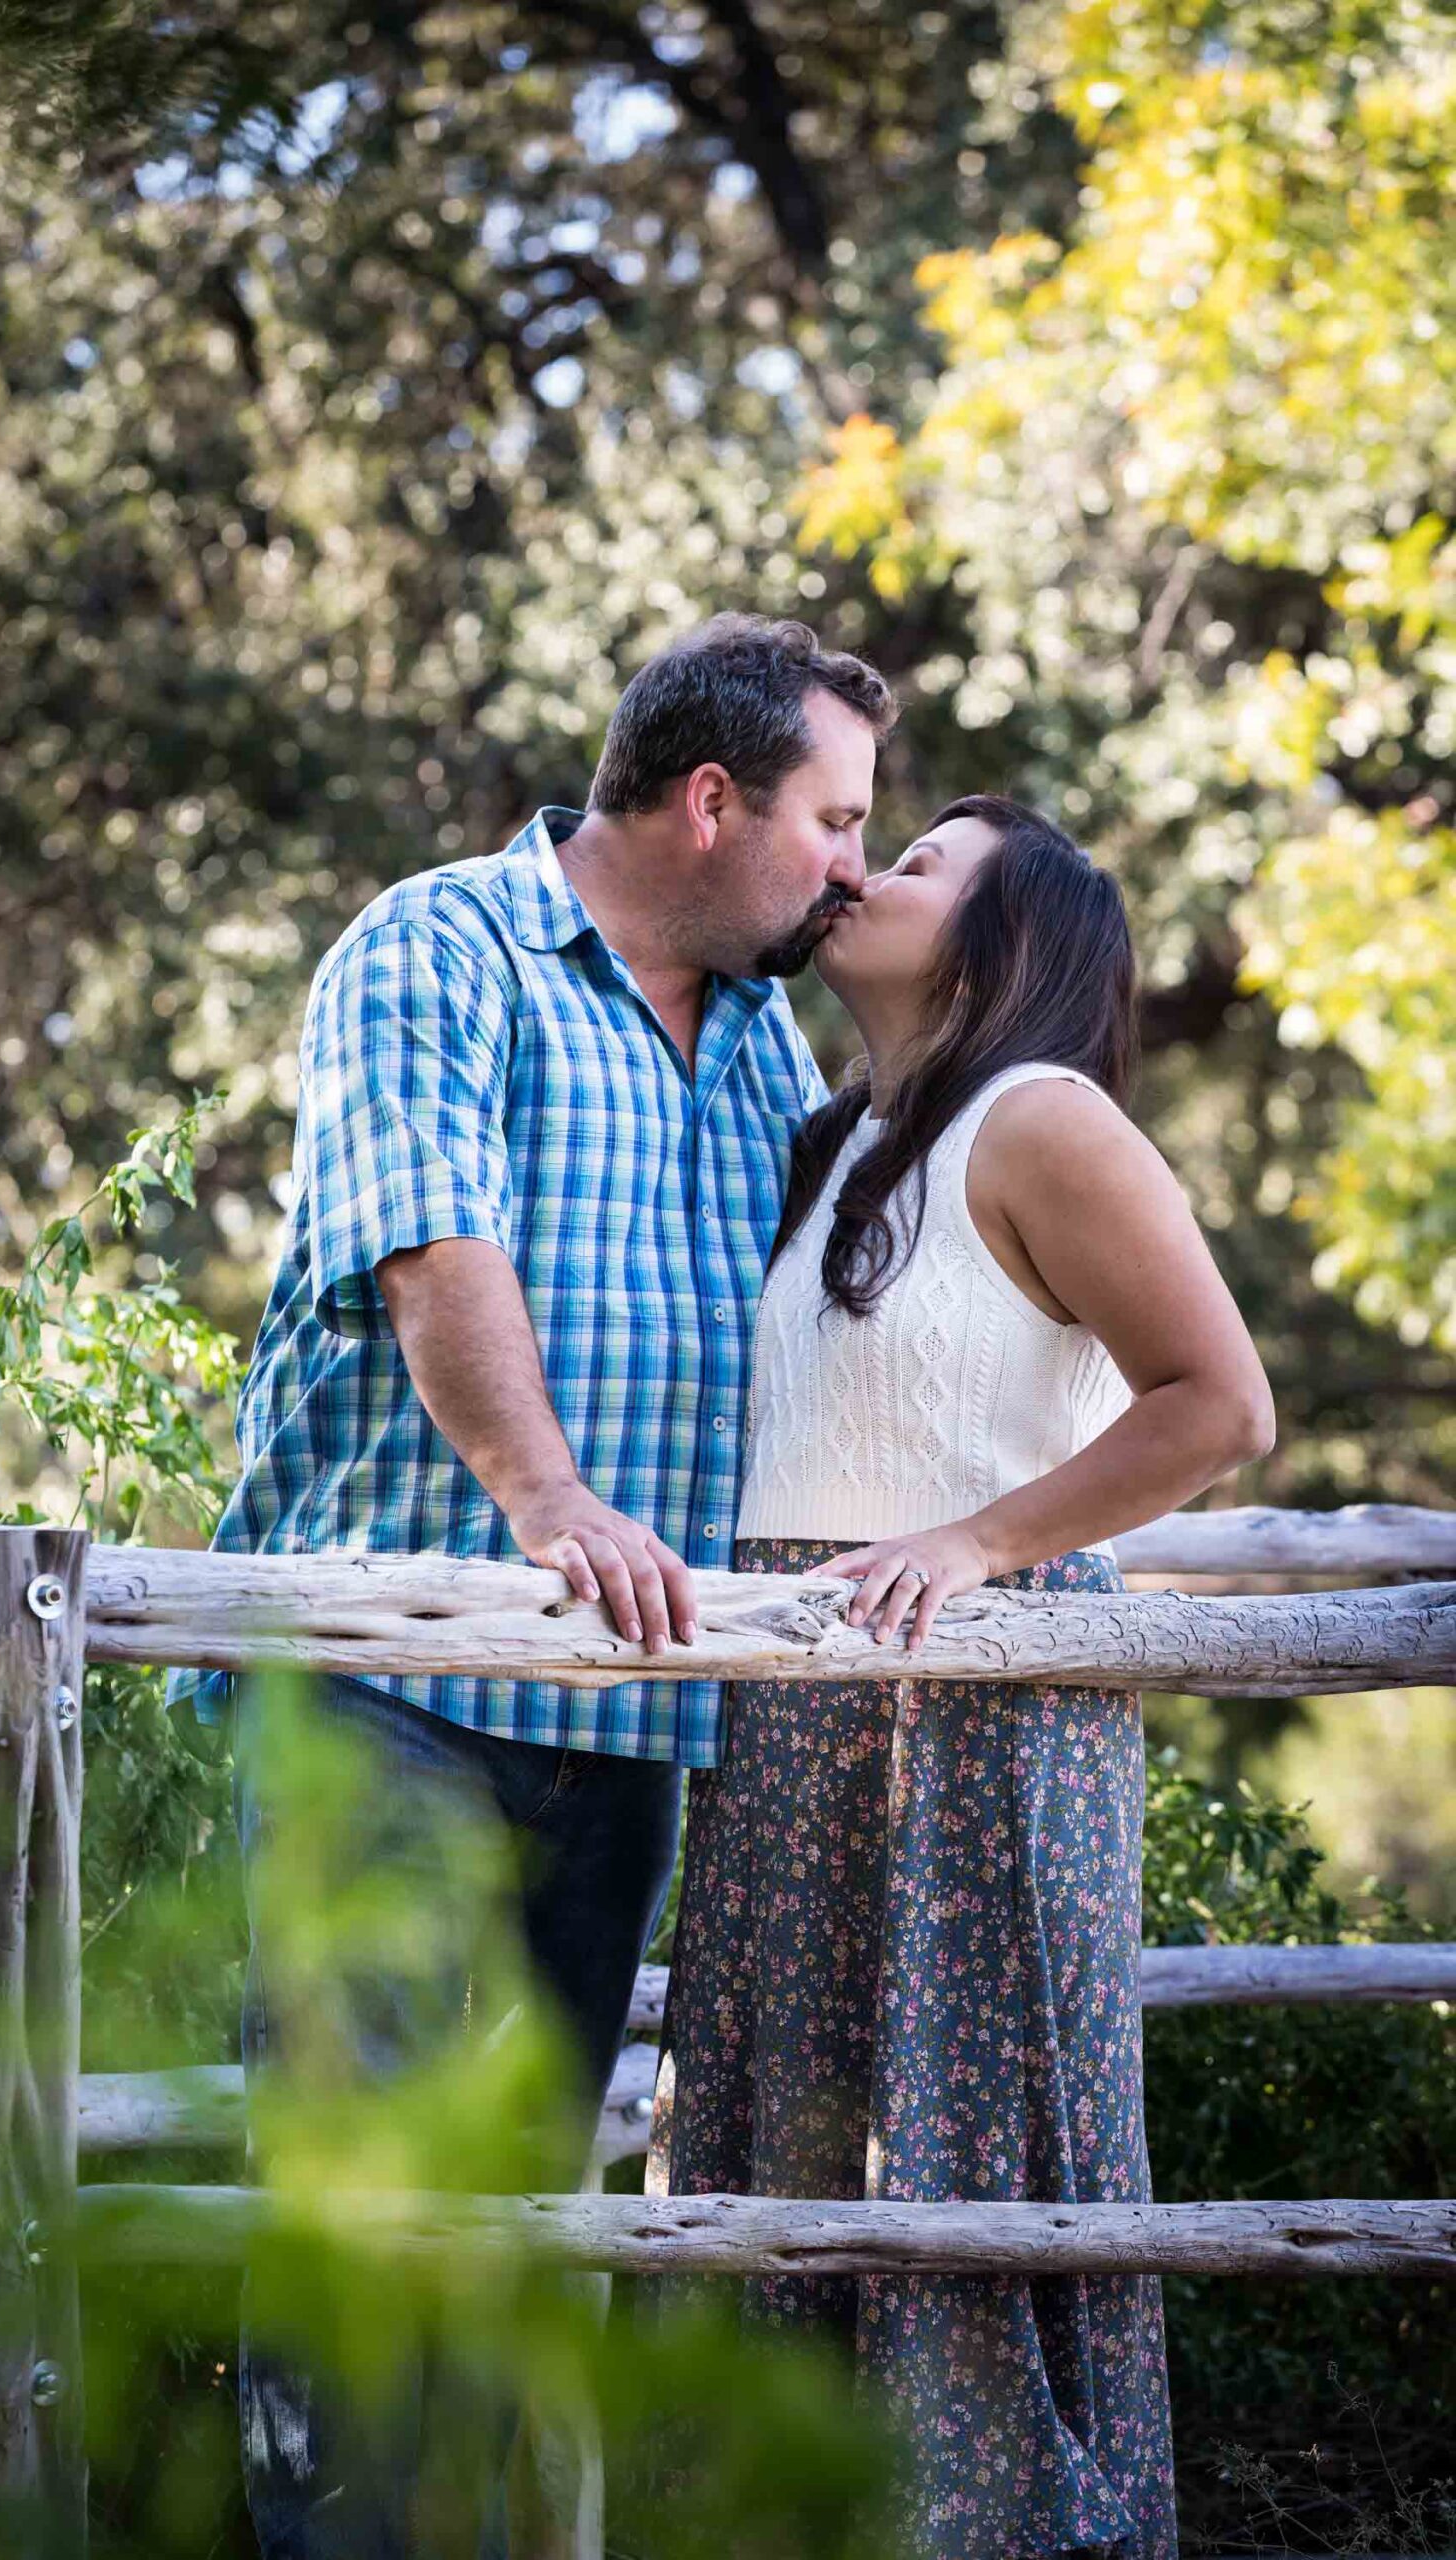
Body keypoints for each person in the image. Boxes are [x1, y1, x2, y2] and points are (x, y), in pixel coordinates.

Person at [171, 615, 898, 2559]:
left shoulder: (766, 1046)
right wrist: (548, 1496)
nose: (850, 863)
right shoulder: (440, 946)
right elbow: (428, 1239)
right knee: (365, 2210)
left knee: (507, 2225)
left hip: (630, 1724)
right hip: (390, 1685)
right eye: (833, 818)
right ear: (709, 795)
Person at [648, 793, 1276, 2560]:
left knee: (968, 2145)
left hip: (976, 1712)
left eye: (916, 862)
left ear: (1011, 940)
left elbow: (1220, 1407)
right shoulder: (836, 1137)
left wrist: (975, 1545)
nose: (860, 870)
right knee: (780, 2132)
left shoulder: (1043, 1118)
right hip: (797, 1727)